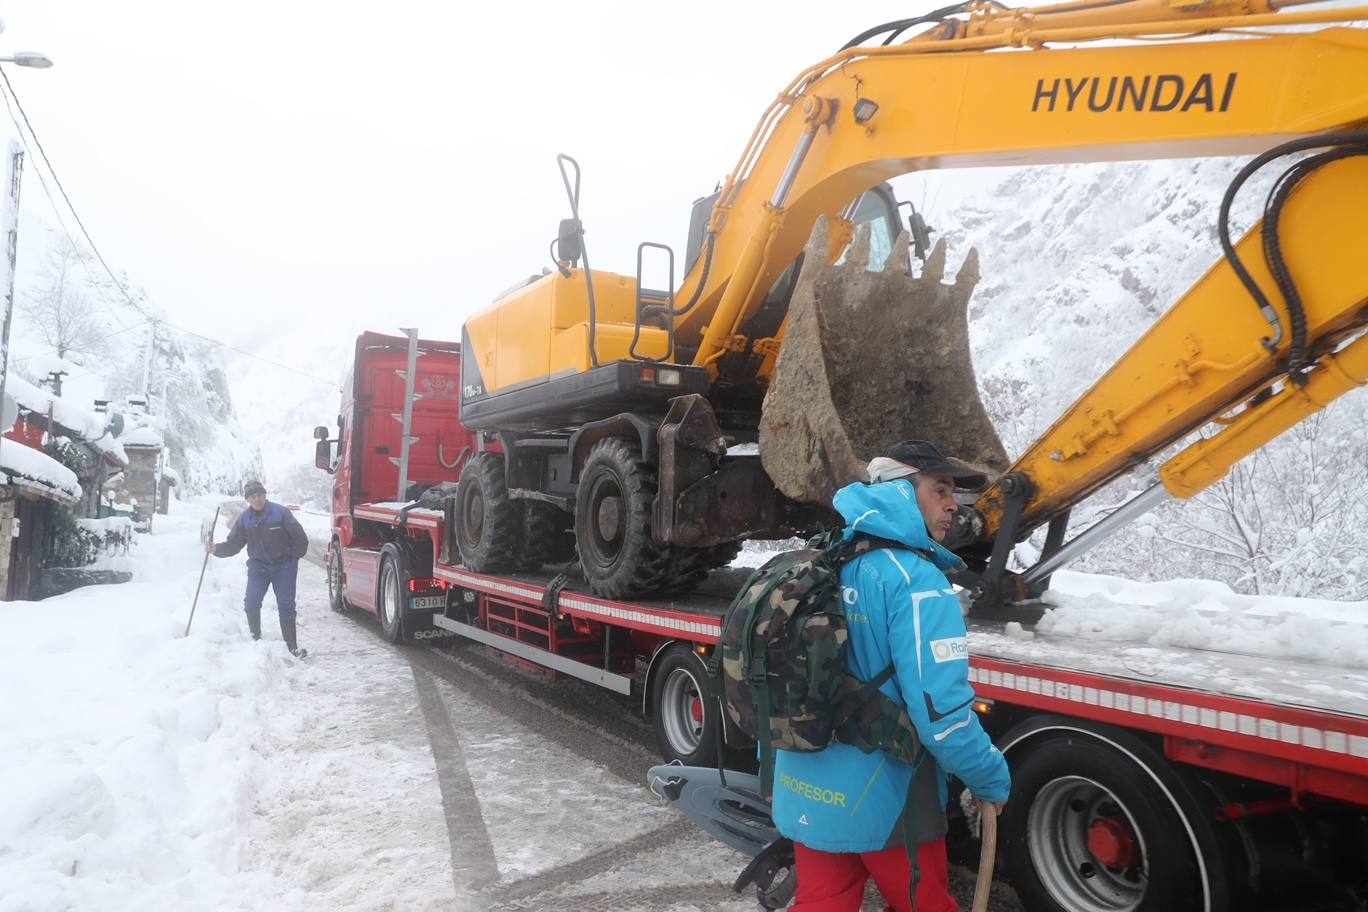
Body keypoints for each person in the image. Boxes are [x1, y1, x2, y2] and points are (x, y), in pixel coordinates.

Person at [771, 440, 1012, 912]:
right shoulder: (918, 582)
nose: (952, 505)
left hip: (804, 782)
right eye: (940, 489)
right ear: (900, 492)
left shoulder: (823, 561)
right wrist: (990, 778)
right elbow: (942, 717)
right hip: (887, 800)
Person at [206, 481, 310, 656]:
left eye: (260, 495)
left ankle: (292, 648)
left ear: (265, 495)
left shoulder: (280, 512)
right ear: (248, 500)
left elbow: (300, 538)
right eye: (253, 497)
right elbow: (234, 544)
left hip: (284, 566)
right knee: (251, 603)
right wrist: (216, 549)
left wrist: (292, 559)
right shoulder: (245, 519)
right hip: (258, 566)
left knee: (286, 606)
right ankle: (256, 643)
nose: (257, 499)